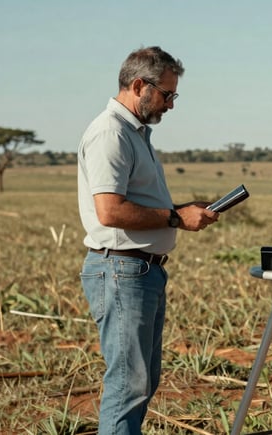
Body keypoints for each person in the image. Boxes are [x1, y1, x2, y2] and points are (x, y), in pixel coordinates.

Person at [77, 46, 219, 434]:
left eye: (174, 95)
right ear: (139, 85)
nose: (171, 104)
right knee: (128, 384)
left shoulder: (135, 133)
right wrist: (176, 217)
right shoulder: (111, 132)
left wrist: (181, 208)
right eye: (167, 94)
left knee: (140, 381)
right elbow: (111, 211)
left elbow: (135, 203)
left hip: (140, 271)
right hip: (123, 269)